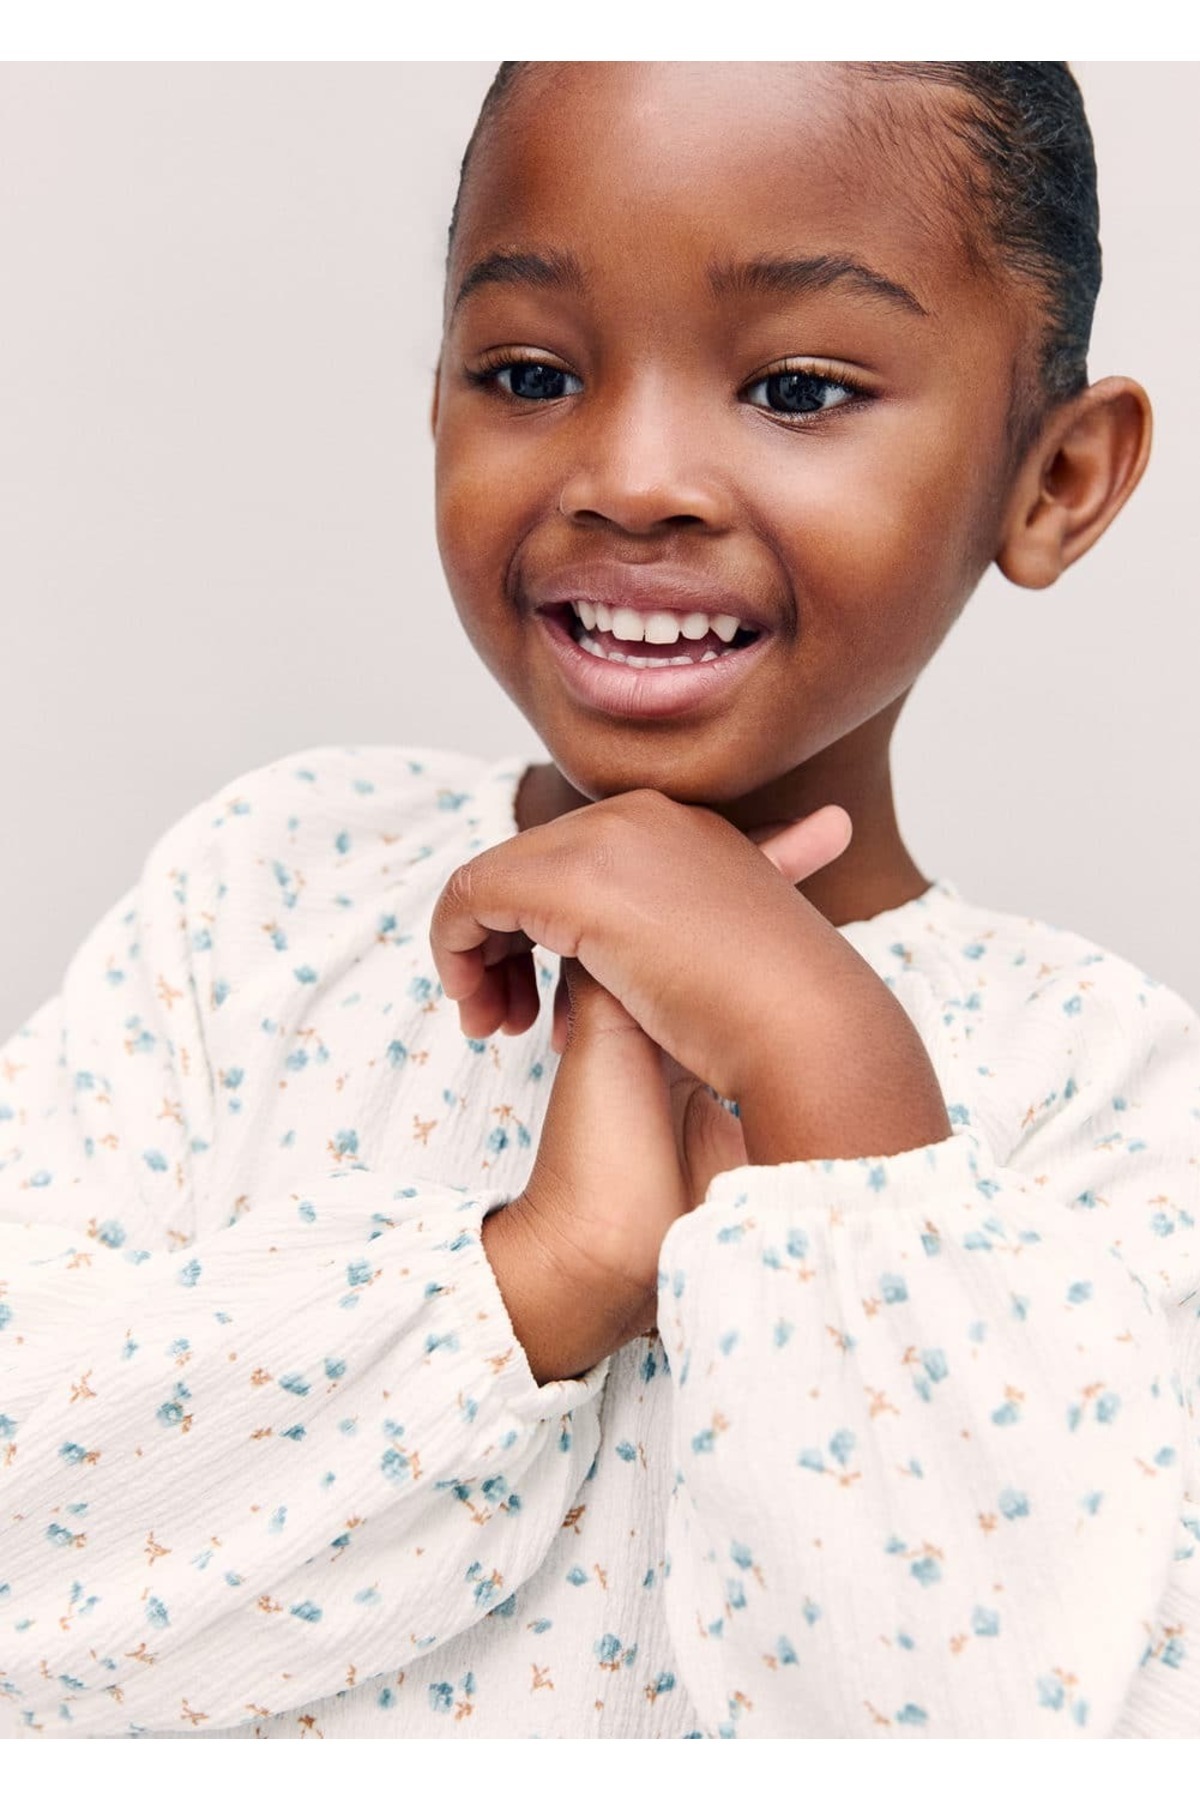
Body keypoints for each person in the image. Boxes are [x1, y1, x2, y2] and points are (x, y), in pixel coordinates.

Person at [1, 60, 1196, 1741]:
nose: (633, 477)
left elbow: (993, 1727)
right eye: (531, 374)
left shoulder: (1111, 1105)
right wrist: (540, 1278)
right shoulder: (268, 899)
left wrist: (825, 1073)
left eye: (795, 388)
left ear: (1055, 479)